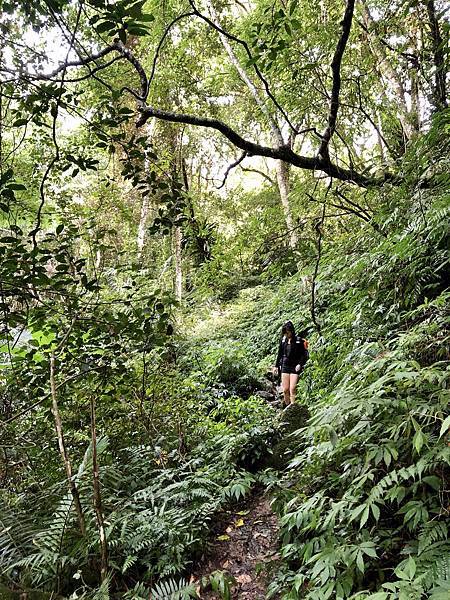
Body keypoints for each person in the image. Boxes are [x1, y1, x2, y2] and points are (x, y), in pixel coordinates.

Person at [273, 320, 308, 406]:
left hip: (295, 366)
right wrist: (276, 366)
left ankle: (293, 407)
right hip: (285, 365)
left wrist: (300, 364)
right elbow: (280, 354)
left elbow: (304, 355)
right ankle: (288, 407)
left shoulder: (298, 341)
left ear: (291, 331)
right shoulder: (283, 340)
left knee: (292, 388)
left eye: (288, 333)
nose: (286, 335)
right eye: (285, 333)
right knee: (285, 390)